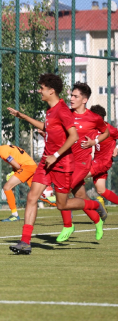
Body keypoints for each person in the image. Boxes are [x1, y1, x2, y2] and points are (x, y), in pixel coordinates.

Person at [6, 74, 106, 255]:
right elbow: (47, 128)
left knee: (62, 205)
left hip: (61, 164)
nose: (39, 91)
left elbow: (73, 136)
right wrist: (23, 116)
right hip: (46, 162)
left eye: (42, 88)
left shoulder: (63, 110)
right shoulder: (50, 111)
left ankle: (93, 205)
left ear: (51, 90)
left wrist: (56, 154)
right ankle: (25, 242)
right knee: (31, 197)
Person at [54, 83, 109, 242]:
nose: (71, 98)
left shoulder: (94, 118)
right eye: (71, 95)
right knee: (80, 196)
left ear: (84, 100)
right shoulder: (67, 114)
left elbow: (105, 132)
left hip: (82, 164)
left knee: (63, 191)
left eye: (75, 96)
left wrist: (95, 141)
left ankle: (68, 225)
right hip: (66, 161)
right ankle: (97, 220)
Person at [0, 145, 37, 222]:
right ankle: (58, 203)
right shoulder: (2, 148)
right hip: (30, 166)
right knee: (38, 194)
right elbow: (16, 158)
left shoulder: (3, 153)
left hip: (26, 167)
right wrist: (14, 172)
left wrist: (14, 173)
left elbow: (17, 166)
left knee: (7, 187)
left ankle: (15, 215)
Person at [84, 105, 118, 209]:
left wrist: (116, 147)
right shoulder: (93, 129)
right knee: (101, 189)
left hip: (103, 162)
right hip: (96, 161)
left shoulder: (110, 129)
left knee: (77, 176)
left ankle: (69, 210)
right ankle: (97, 205)